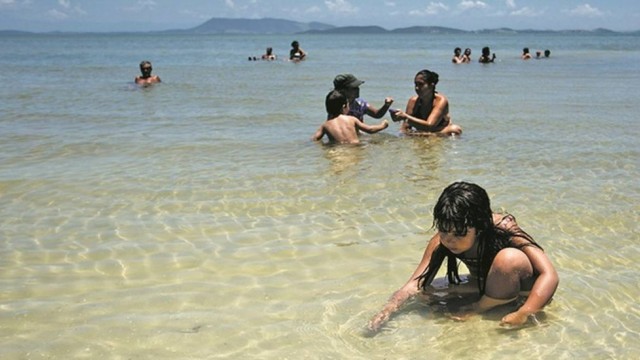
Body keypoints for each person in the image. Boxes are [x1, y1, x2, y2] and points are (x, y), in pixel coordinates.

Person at [368, 181, 559, 332]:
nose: (449, 240)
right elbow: (414, 283)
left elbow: (549, 274)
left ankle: (480, 307)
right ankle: (484, 303)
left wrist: (526, 312)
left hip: (522, 290)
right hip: (486, 285)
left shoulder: (504, 228)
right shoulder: (443, 238)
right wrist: (388, 310)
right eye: (443, 231)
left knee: (509, 258)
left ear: (481, 226)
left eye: (459, 234)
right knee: (428, 291)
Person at [390, 69, 462, 136]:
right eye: (416, 84)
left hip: (439, 132)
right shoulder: (413, 101)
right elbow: (405, 128)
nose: (417, 88)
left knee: (455, 129)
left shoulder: (440, 101)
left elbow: (430, 125)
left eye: (420, 84)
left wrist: (405, 117)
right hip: (423, 133)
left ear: (431, 85)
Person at [312, 90, 389, 145]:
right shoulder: (351, 119)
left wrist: (324, 146)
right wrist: (383, 125)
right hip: (354, 147)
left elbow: (315, 139)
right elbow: (370, 130)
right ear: (344, 106)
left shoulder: (325, 125)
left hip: (338, 150)